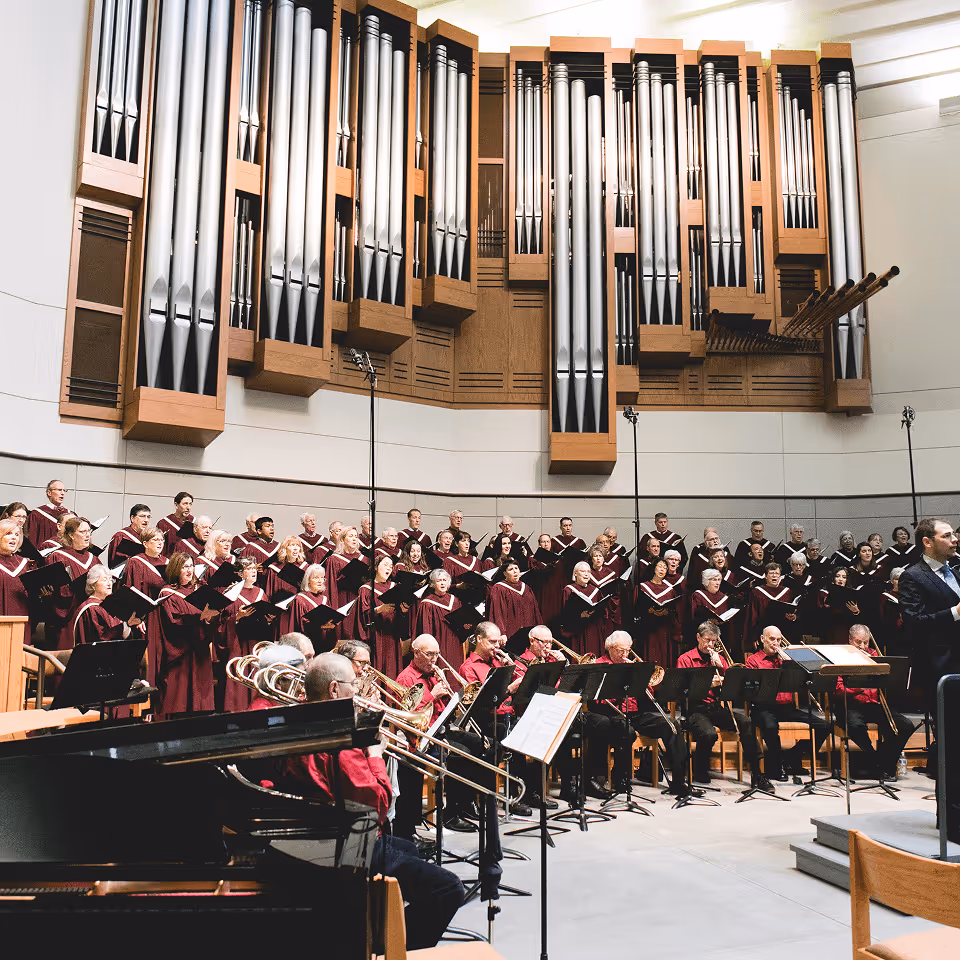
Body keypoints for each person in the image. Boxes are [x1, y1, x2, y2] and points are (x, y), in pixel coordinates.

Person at [277, 652, 465, 950]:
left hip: (323, 837)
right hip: (349, 845)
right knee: (450, 888)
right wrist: (375, 756)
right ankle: (388, 947)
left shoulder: (300, 720)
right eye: (353, 684)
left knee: (408, 847)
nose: (357, 690)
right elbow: (376, 807)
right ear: (334, 690)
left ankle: (378, 921)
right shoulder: (340, 738)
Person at [677, 622, 772, 791]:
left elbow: (732, 686)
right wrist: (706, 684)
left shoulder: (719, 658)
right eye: (707, 640)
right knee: (709, 734)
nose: (710, 645)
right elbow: (681, 690)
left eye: (714, 641)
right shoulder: (686, 659)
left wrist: (721, 668)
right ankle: (700, 768)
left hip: (715, 707)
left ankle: (758, 774)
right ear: (698, 638)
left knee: (745, 722)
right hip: (693, 708)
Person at [899, 518, 960, 778]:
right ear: (927, 541)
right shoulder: (913, 576)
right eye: (946, 536)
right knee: (951, 735)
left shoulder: (955, 571)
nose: (954, 539)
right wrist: (955, 613)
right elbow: (913, 624)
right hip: (940, 667)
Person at [594, 631, 690, 797]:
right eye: (620, 650)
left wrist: (642, 678)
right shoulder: (599, 665)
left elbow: (648, 693)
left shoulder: (632, 665)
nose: (625, 655)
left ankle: (679, 782)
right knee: (626, 732)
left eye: (628, 650)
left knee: (672, 725)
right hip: (610, 713)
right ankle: (620, 778)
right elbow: (597, 700)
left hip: (636, 712)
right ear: (609, 648)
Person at [744, 626, 830, 780]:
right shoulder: (753, 661)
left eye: (778, 640)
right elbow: (751, 691)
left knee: (824, 726)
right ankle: (776, 767)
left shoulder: (787, 659)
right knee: (770, 727)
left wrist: (791, 666)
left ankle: (791, 756)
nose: (775, 643)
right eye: (771, 639)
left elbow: (805, 681)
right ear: (762, 639)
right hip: (763, 707)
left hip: (786, 707)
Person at [834, 624, 915, 780]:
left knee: (905, 725)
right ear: (850, 640)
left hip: (873, 705)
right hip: (850, 705)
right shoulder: (840, 656)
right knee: (855, 726)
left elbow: (888, 685)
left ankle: (885, 763)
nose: (863, 646)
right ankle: (875, 761)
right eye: (859, 642)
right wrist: (860, 686)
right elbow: (837, 690)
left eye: (866, 642)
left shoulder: (874, 655)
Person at [152, 552, 217, 719]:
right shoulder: (167, 594)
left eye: (191, 566)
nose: (189, 571)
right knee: (181, 703)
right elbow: (173, 624)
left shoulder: (201, 591)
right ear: (175, 569)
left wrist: (209, 619)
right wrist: (199, 618)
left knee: (201, 709)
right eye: (185, 567)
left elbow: (211, 623)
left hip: (200, 653)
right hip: (180, 656)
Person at [220, 557, 274, 712]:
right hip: (238, 641)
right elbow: (221, 620)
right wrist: (237, 618)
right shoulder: (231, 593)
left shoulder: (260, 593)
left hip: (257, 640)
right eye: (249, 569)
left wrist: (269, 619)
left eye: (254, 569)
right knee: (240, 675)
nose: (253, 572)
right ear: (239, 573)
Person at [49, 516, 98, 650]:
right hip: (70, 614)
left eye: (89, 531)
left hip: (91, 615)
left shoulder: (94, 559)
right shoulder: (58, 557)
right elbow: (55, 590)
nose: (87, 535)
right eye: (82, 532)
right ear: (71, 535)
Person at [72, 564, 143, 645]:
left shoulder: (109, 606)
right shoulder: (91, 609)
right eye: (104, 580)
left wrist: (131, 624)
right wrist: (125, 626)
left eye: (110, 579)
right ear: (93, 584)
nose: (109, 583)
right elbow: (101, 639)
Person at [356, 554, 401, 678]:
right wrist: (379, 609)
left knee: (392, 669)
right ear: (376, 567)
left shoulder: (395, 588)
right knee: (378, 667)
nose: (388, 568)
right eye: (385, 565)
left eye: (391, 566)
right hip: (376, 635)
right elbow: (362, 615)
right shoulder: (366, 589)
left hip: (392, 633)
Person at [742, 562, 798, 654]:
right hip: (763, 635)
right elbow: (752, 616)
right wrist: (754, 637)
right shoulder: (757, 592)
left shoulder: (787, 592)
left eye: (777, 574)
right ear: (765, 576)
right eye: (771, 573)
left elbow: (794, 613)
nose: (774, 576)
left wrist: (793, 617)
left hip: (784, 634)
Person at [415, 569, 466, 669]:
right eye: (439, 581)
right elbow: (426, 631)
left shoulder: (454, 600)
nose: (442, 583)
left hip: (455, 644)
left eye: (444, 580)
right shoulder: (427, 603)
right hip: (438, 645)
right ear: (434, 584)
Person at [635, 558, 680, 665]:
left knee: (663, 655)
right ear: (654, 568)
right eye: (660, 566)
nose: (662, 570)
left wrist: (666, 612)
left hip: (664, 629)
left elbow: (674, 611)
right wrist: (648, 611)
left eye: (665, 568)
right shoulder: (643, 587)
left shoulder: (670, 590)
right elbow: (636, 609)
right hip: (648, 629)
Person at [561, 561, 608, 658]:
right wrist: (579, 615)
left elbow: (604, 612)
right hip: (577, 631)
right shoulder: (569, 590)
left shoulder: (596, 591)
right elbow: (564, 614)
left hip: (593, 630)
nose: (586, 574)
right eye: (582, 571)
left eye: (588, 572)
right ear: (575, 574)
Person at [487, 559, 543, 639]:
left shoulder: (526, 588)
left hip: (530, 634)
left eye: (516, 568)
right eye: (510, 569)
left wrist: (540, 630)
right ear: (505, 573)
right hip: (511, 636)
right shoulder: (499, 589)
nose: (515, 571)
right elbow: (497, 612)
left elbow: (536, 612)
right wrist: (501, 633)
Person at [325, 525, 364, 641]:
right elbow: (330, 586)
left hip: (359, 600)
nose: (354, 539)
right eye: (350, 536)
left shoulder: (364, 559)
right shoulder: (334, 560)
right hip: (342, 601)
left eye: (356, 537)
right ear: (342, 539)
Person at [282, 563, 334, 648]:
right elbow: (298, 626)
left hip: (324, 642)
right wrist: (319, 626)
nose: (320, 581)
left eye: (322, 578)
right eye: (316, 578)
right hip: (307, 644)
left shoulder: (324, 599)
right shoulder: (300, 599)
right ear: (308, 581)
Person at [0, 518, 35, 624]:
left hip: (20, 620)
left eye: (16, 534)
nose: (14, 538)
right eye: (8, 533)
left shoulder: (25, 564)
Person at [818, 566, 861, 645]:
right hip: (829, 630)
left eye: (844, 577)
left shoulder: (851, 593)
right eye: (837, 576)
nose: (840, 579)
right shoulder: (824, 593)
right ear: (833, 578)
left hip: (845, 630)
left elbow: (857, 621)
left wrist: (856, 611)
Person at [121, 526, 167, 598]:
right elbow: (133, 589)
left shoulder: (167, 562)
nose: (160, 543)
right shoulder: (136, 562)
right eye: (156, 540)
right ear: (145, 544)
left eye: (162, 540)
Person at [107, 503, 152, 567]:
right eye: (142, 516)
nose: (146, 520)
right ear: (132, 518)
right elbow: (114, 564)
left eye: (148, 517)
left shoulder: (149, 538)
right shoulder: (121, 536)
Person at [27, 480, 69, 548]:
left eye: (64, 490)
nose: (62, 493)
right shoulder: (37, 514)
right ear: (49, 493)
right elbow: (32, 539)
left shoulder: (69, 515)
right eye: (59, 490)